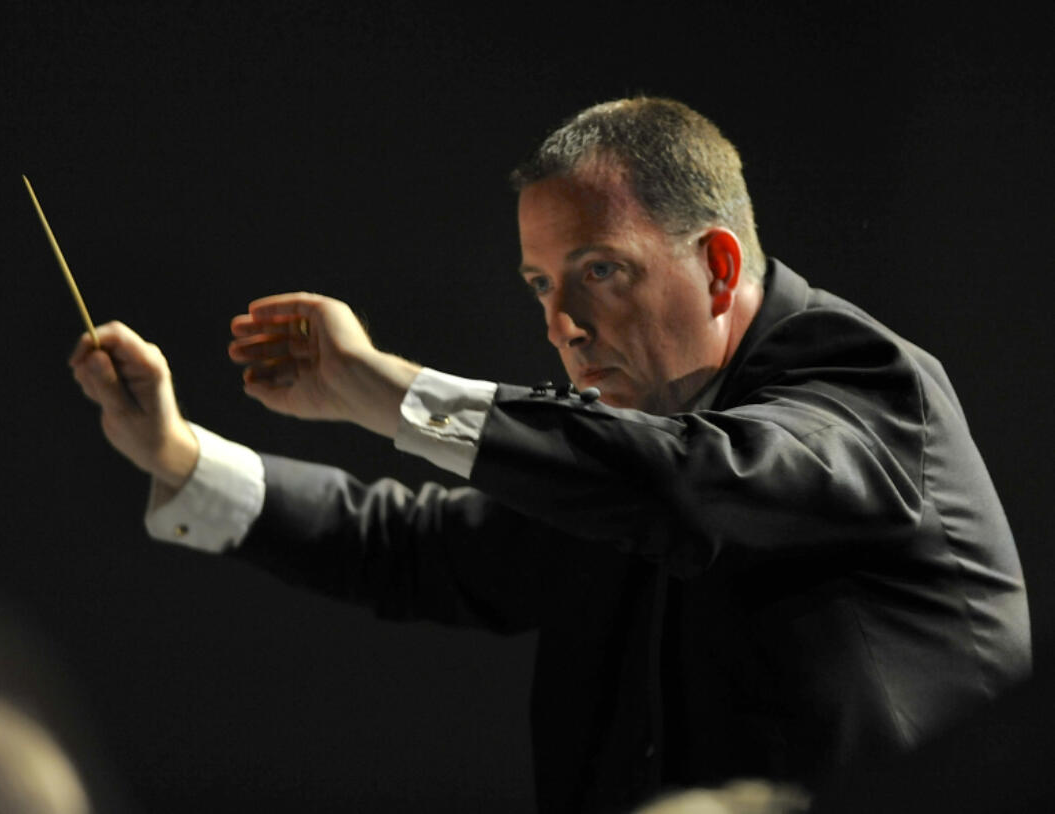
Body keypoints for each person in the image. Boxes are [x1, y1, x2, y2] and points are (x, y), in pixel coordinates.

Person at [69, 97, 1031, 813]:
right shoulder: (608, 455)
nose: (563, 326)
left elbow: (693, 485)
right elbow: (416, 547)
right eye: (540, 285)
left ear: (721, 267)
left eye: (599, 272)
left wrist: (390, 391)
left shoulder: (866, 383)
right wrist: (178, 452)